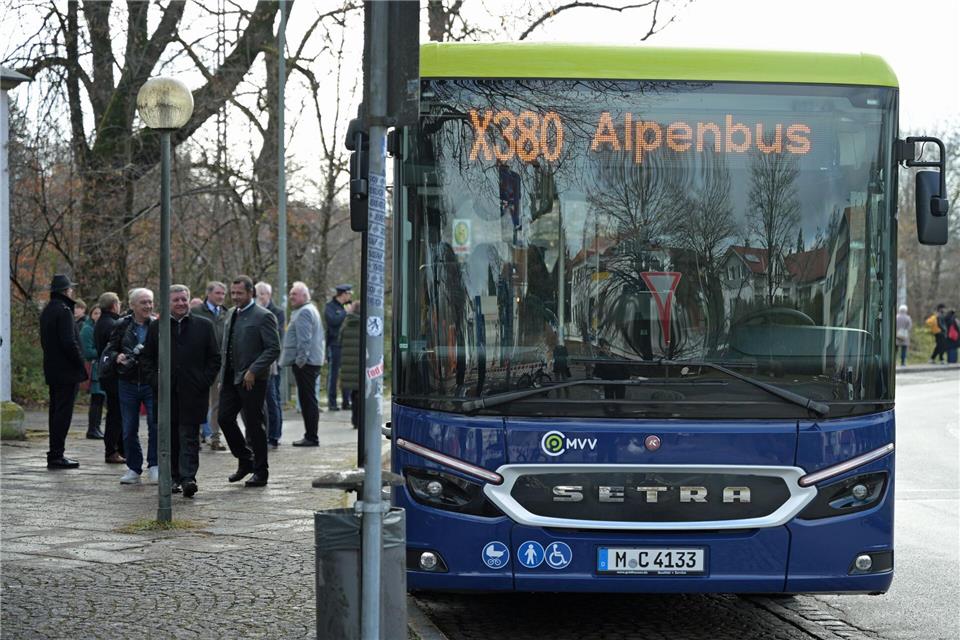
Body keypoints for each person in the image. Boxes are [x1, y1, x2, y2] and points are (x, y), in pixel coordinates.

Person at [142, 285, 221, 498]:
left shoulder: (203, 326)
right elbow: (147, 359)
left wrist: (203, 381)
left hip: (193, 392)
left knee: (190, 437)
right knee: (170, 437)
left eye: (183, 299)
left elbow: (214, 358)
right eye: (175, 300)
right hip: (166, 393)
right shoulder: (157, 327)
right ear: (168, 303)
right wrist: (154, 381)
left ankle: (188, 478)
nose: (180, 303)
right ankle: (173, 477)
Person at [218, 275, 280, 487]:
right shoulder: (230, 315)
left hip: (252, 380)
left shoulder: (263, 316)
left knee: (254, 425)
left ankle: (261, 472)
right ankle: (246, 460)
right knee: (224, 418)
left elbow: (273, 348)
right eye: (233, 293)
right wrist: (222, 375)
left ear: (250, 293)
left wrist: (254, 370)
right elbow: (226, 347)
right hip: (230, 378)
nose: (235, 297)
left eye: (239, 293)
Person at [104, 288, 158, 485]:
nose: (148, 306)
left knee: (155, 424)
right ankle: (134, 468)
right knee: (128, 428)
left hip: (150, 383)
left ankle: (154, 465)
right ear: (133, 305)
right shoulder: (122, 325)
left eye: (150, 302)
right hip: (127, 382)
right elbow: (110, 349)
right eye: (143, 302)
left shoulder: (158, 325)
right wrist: (116, 356)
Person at [38, 274, 87, 469]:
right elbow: (69, 342)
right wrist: (80, 363)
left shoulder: (48, 310)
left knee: (55, 412)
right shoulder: (64, 310)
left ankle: (55, 453)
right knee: (63, 414)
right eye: (70, 289)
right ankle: (57, 455)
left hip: (53, 369)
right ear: (66, 291)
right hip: (67, 371)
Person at [281, 282, 325, 446]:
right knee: (308, 399)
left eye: (294, 294)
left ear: (304, 296)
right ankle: (310, 435)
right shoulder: (309, 309)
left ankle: (311, 437)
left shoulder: (305, 312)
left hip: (306, 363)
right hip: (311, 362)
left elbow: (304, 340)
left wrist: (300, 361)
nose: (291, 297)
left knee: (308, 400)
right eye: (291, 294)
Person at [192, 281, 228, 450]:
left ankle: (215, 437)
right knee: (198, 401)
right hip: (199, 364)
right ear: (209, 294)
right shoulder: (196, 312)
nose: (221, 297)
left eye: (223, 294)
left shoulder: (226, 313)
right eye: (218, 293)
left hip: (218, 365)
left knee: (217, 403)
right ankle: (196, 436)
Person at [95, 292, 125, 463]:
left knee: (115, 413)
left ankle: (118, 449)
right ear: (114, 305)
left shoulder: (101, 322)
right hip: (113, 374)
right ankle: (112, 450)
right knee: (116, 415)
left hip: (106, 373)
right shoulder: (113, 324)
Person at [256, 281, 285, 447]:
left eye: (262, 294)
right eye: (257, 294)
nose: (259, 298)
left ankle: (274, 434)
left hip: (272, 362)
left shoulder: (277, 312)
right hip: (257, 361)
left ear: (268, 295)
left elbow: (277, 337)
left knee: (272, 399)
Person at [79, 305, 105, 439]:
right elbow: (88, 352)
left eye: (100, 313)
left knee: (100, 400)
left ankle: (96, 427)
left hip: (100, 368)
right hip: (94, 369)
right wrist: (103, 351)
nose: (98, 316)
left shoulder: (98, 328)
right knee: (96, 400)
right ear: (91, 314)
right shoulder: (87, 329)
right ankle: (92, 428)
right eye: (95, 313)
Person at [324, 284, 352, 411]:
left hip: (346, 344)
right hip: (334, 344)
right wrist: (345, 313)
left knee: (347, 374)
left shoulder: (346, 306)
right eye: (348, 294)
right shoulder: (330, 307)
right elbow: (333, 322)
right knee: (333, 374)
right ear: (343, 294)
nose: (350, 296)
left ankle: (347, 401)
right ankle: (332, 402)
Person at [336, 301, 361, 429]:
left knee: (353, 393)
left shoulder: (346, 323)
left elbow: (339, 341)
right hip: (361, 366)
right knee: (360, 394)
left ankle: (354, 419)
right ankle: (360, 419)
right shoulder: (365, 325)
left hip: (348, 365)